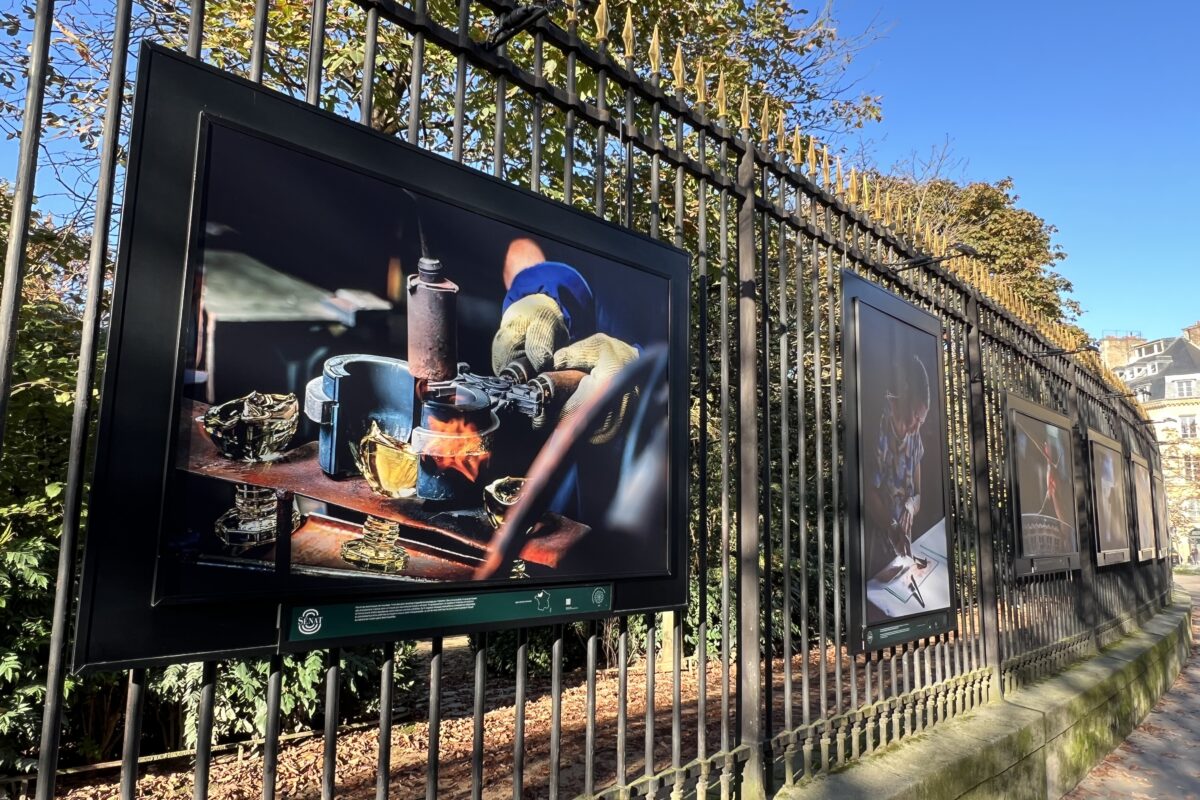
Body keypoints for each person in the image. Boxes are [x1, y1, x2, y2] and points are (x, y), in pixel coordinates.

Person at [865, 354, 931, 583]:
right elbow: (868, 492)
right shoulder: (880, 423)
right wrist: (893, 527)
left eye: (921, 421)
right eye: (915, 416)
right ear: (906, 394)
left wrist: (910, 507)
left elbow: (918, 495)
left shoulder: (915, 438)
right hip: (876, 544)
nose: (916, 427)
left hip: (900, 548)